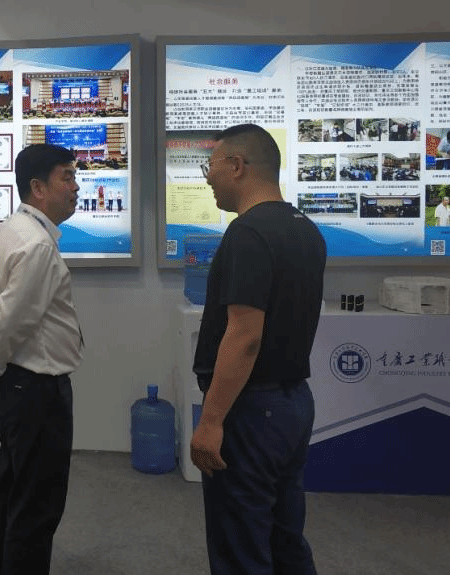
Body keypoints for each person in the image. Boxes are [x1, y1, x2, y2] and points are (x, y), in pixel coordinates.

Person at [191, 123, 326, 575]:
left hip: (251, 411)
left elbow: (245, 337)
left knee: (241, 543)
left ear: (236, 165)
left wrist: (211, 421)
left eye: (210, 167)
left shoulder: (248, 233)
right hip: (293, 403)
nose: (208, 178)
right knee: (284, 536)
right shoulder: (305, 228)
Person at [0, 143, 84, 575]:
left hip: (17, 386)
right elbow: (11, 321)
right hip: (36, 390)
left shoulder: (9, 230)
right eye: (67, 177)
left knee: (14, 493)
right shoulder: (36, 245)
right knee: (37, 506)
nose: (76, 186)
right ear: (38, 187)